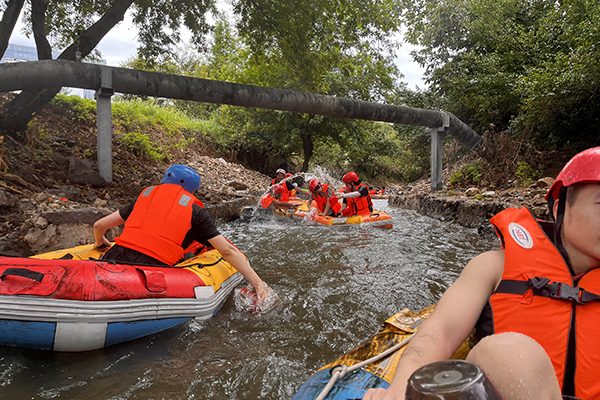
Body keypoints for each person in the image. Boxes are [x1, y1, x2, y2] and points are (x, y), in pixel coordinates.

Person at [363, 147, 600, 400]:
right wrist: (401, 389)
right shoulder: (494, 267)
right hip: (515, 388)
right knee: (507, 352)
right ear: (560, 208)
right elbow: (441, 331)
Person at [93, 164, 270, 301]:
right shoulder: (195, 210)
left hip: (115, 257)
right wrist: (258, 283)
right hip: (152, 271)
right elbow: (228, 251)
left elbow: (99, 225)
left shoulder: (145, 196)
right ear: (194, 191)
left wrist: (99, 241)